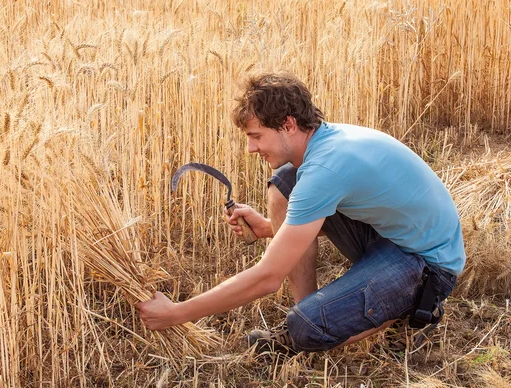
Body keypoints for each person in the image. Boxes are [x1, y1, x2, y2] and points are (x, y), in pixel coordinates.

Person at [135, 72, 465, 354]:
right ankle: (308, 306)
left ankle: (412, 311)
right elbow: (349, 206)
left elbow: (267, 277)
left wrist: (176, 313)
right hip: (394, 234)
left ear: (288, 124)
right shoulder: (326, 142)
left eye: (255, 136)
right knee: (284, 183)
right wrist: (267, 228)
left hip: (426, 264)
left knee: (307, 328)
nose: (251, 148)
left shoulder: (325, 169)